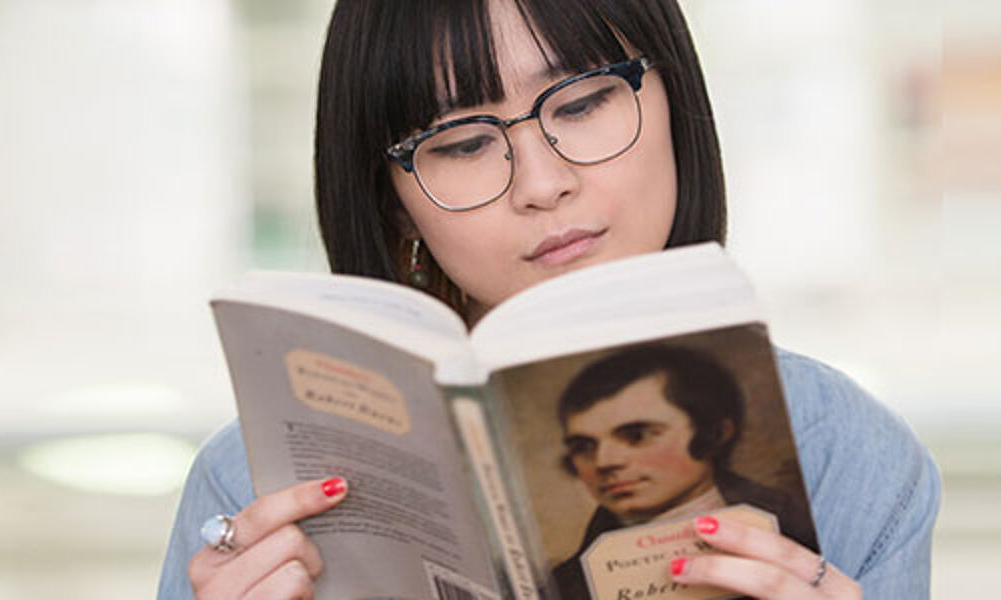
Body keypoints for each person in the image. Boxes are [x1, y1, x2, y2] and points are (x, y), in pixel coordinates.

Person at [158, 1, 940, 599]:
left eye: (581, 101)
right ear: (396, 204)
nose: (543, 183)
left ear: (674, 97)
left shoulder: (846, 452)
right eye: (462, 143)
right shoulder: (254, 482)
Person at [549, 344, 819, 599]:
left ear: (713, 434)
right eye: (584, 446)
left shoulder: (797, 529)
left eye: (636, 435)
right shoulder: (561, 584)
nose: (604, 461)